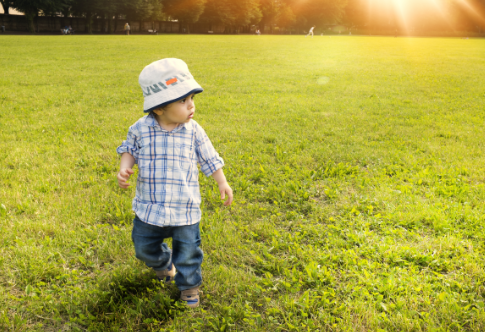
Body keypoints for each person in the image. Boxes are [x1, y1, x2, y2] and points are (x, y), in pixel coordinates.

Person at [116, 58, 233, 309]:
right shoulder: (140, 128)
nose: (191, 106)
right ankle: (162, 263)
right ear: (158, 108)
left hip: (185, 208)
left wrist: (221, 181)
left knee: (189, 253)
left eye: (192, 99)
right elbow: (129, 150)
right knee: (143, 248)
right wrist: (125, 167)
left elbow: (209, 157)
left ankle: (189, 285)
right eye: (183, 101)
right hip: (150, 207)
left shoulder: (194, 130)